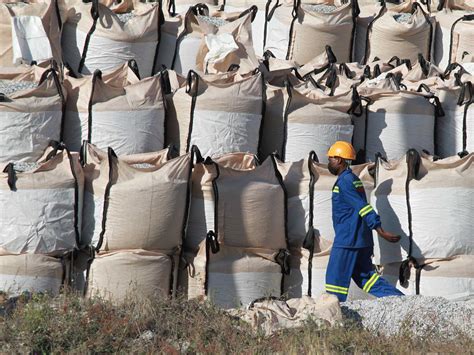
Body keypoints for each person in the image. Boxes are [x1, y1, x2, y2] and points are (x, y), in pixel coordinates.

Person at [325, 141, 404, 302]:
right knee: (367, 279)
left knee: (335, 282)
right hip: (361, 240)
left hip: (348, 240)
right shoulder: (352, 179)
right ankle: (402, 302)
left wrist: (379, 229)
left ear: (339, 160)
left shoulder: (345, 181)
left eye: (331, 159)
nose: (329, 163)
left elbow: (362, 207)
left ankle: (333, 316)